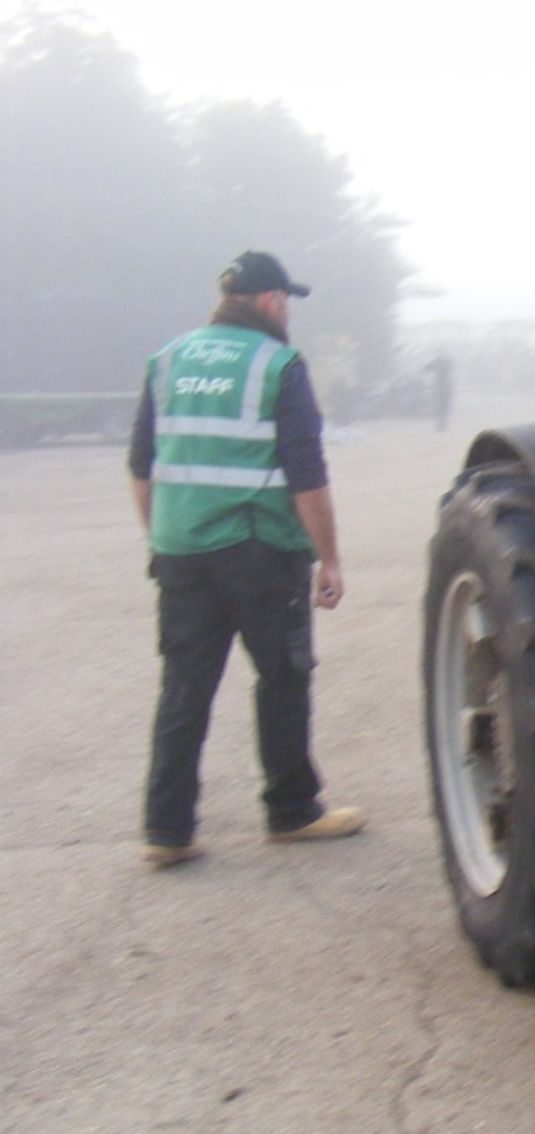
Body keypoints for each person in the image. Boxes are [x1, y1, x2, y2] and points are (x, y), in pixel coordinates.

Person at [128, 250, 366, 868]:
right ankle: (292, 812)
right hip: (259, 550)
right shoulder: (278, 364)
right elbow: (306, 475)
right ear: (270, 302)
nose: (288, 311)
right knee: (283, 678)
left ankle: (166, 829)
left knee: (184, 687)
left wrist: (162, 535)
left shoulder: (167, 360)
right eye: (286, 300)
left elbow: (141, 466)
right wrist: (329, 559)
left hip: (180, 550)